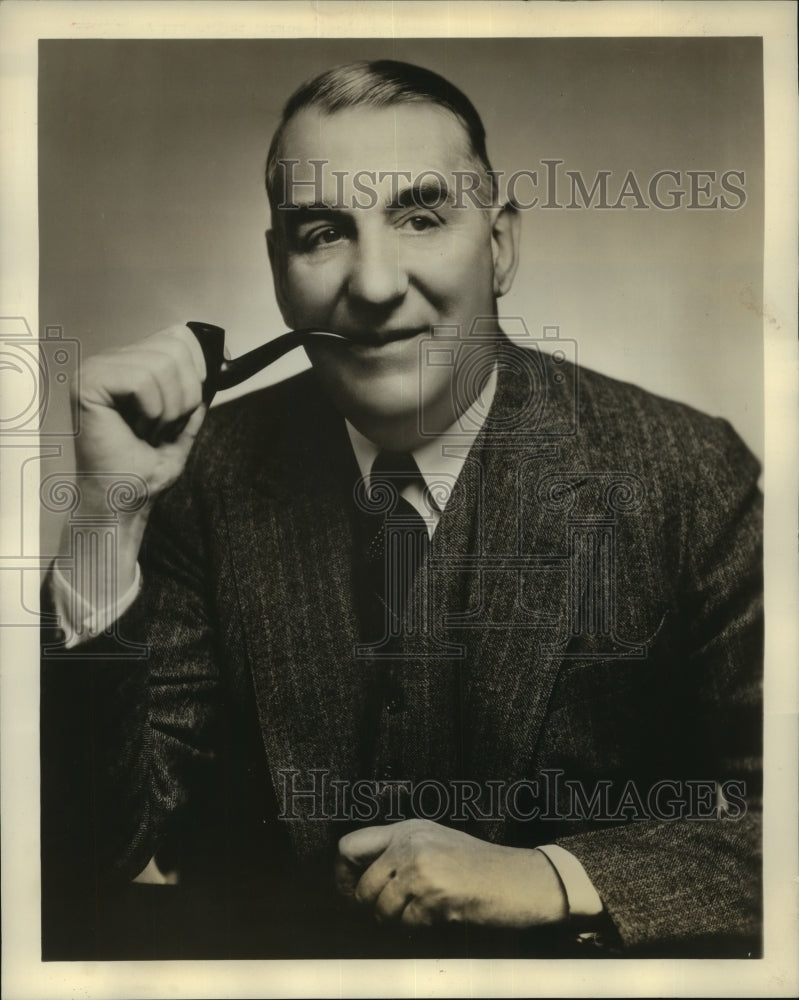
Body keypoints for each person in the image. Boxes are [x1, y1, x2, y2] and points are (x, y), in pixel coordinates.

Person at [41, 60, 762, 960]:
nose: (374, 286)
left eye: (420, 217)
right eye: (321, 232)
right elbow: (82, 856)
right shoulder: (198, 476)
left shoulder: (688, 473)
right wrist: (106, 520)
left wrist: (548, 875)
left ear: (499, 247)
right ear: (277, 268)